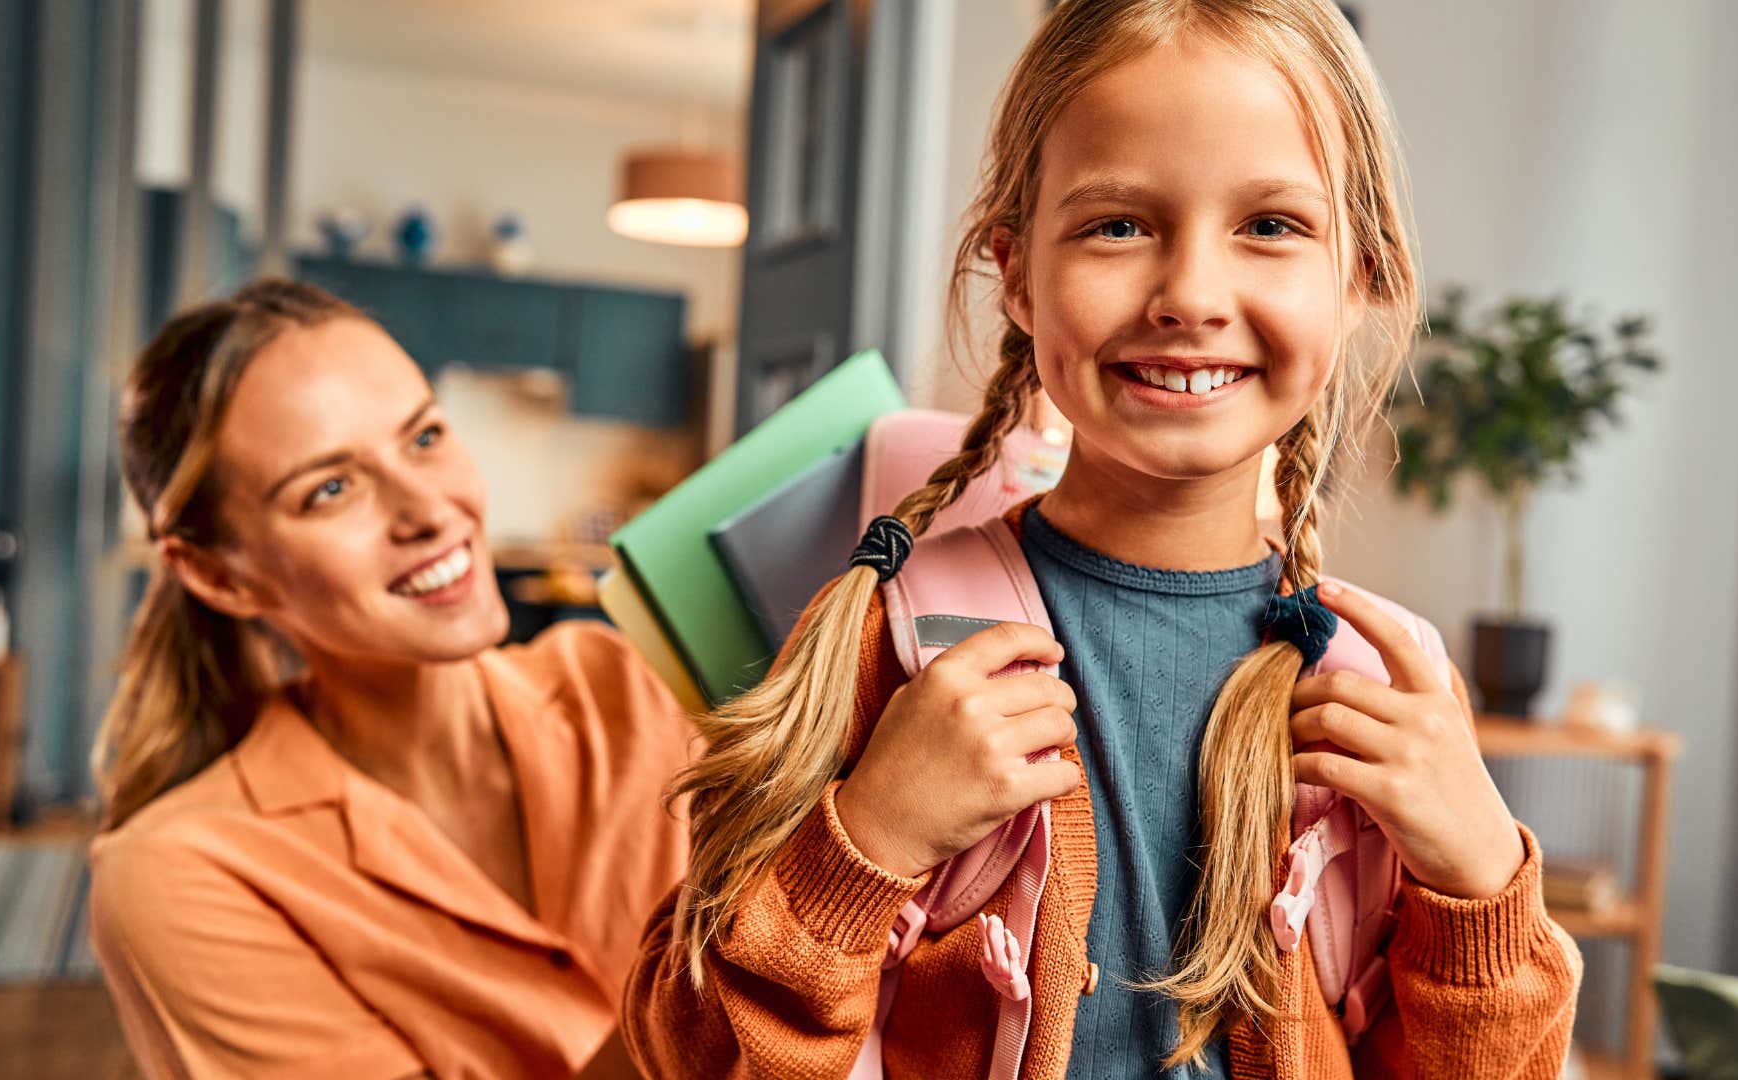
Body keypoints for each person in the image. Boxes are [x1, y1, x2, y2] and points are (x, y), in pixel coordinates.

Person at [623, 1, 1581, 1076]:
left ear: (1360, 278)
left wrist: (1480, 887)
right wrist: (871, 841)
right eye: (1118, 224)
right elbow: (687, 1051)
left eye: (1270, 225)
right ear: (1016, 272)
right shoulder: (890, 632)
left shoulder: (1386, 685)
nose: (1190, 297)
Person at [89, 279, 692, 1078]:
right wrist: (825, 879)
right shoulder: (179, 876)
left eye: (425, 437)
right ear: (219, 577)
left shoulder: (629, 680)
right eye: (330, 489)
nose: (429, 510)